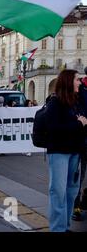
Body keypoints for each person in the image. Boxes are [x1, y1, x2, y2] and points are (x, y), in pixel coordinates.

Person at [45, 69, 87, 232]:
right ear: (69, 81)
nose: (80, 82)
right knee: (58, 191)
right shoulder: (55, 102)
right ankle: (57, 228)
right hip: (59, 152)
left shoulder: (76, 101)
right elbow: (53, 128)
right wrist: (78, 124)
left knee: (71, 192)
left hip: (75, 152)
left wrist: (81, 123)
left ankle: (65, 226)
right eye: (77, 80)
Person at [72, 72, 87, 221]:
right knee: (79, 175)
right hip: (82, 139)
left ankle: (84, 201)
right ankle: (75, 206)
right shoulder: (80, 90)